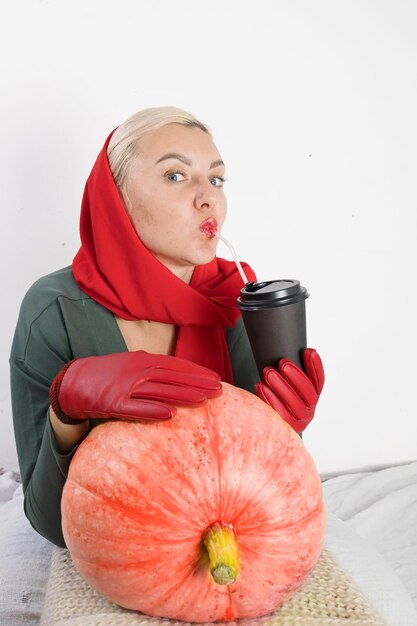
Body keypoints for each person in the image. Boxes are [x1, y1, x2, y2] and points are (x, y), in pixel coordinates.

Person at [9, 106, 324, 548]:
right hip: (122, 554)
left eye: (215, 179)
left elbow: (268, 496)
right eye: (176, 176)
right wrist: (67, 407)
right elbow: (48, 524)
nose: (208, 197)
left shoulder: (236, 303)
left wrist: (289, 432)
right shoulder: (53, 310)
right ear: (116, 196)